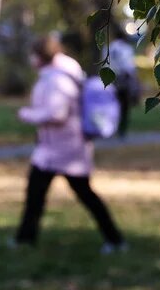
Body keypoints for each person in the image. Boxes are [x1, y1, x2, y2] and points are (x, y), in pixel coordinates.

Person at [13, 35, 126, 253]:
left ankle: (115, 240)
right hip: (53, 148)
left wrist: (28, 115)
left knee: (84, 194)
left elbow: (58, 113)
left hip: (65, 150)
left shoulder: (58, 79)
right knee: (36, 193)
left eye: (32, 55)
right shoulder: (56, 74)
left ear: (40, 56)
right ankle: (24, 239)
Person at [103, 25, 139, 138]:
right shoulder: (126, 49)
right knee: (124, 106)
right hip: (123, 80)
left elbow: (104, 64)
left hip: (110, 79)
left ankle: (111, 128)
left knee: (112, 104)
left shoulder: (108, 48)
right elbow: (129, 67)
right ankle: (122, 130)